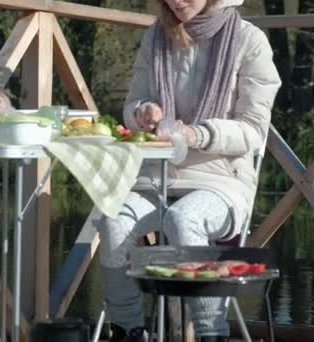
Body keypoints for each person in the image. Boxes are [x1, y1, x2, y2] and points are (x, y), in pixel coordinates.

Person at [95, 0, 281, 341]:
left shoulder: (248, 40)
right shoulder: (156, 35)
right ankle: (128, 330)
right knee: (112, 219)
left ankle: (213, 334)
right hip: (157, 175)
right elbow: (131, 105)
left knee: (183, 219)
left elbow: (254, 130)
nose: (177, 1)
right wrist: (143, 112)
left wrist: (198, 134)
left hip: (221, 179)